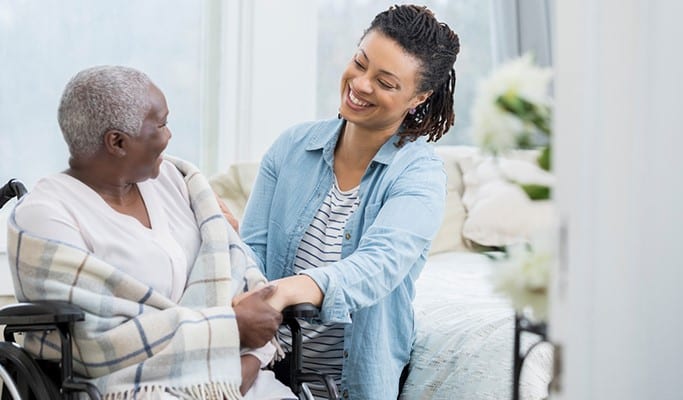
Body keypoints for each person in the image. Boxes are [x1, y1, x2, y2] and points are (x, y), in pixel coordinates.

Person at [7, 66, 295, 399]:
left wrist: (244, 364)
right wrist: (230, 326)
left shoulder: (177, 181)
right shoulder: (45, 216)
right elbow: (96, 342)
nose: (169, 136)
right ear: (117, 142)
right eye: (160, 125)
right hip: (133, 388)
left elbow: (242, 279)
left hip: (237, 377)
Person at [238, 4, 461, 399]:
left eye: (386, 82)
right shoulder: (291, 147)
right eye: (360, 63)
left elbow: (379, 265)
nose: (360, 84)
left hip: (351, 378)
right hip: (264, 364)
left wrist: (292, 289)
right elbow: (251, 249)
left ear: (419, 96)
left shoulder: (419, 174)